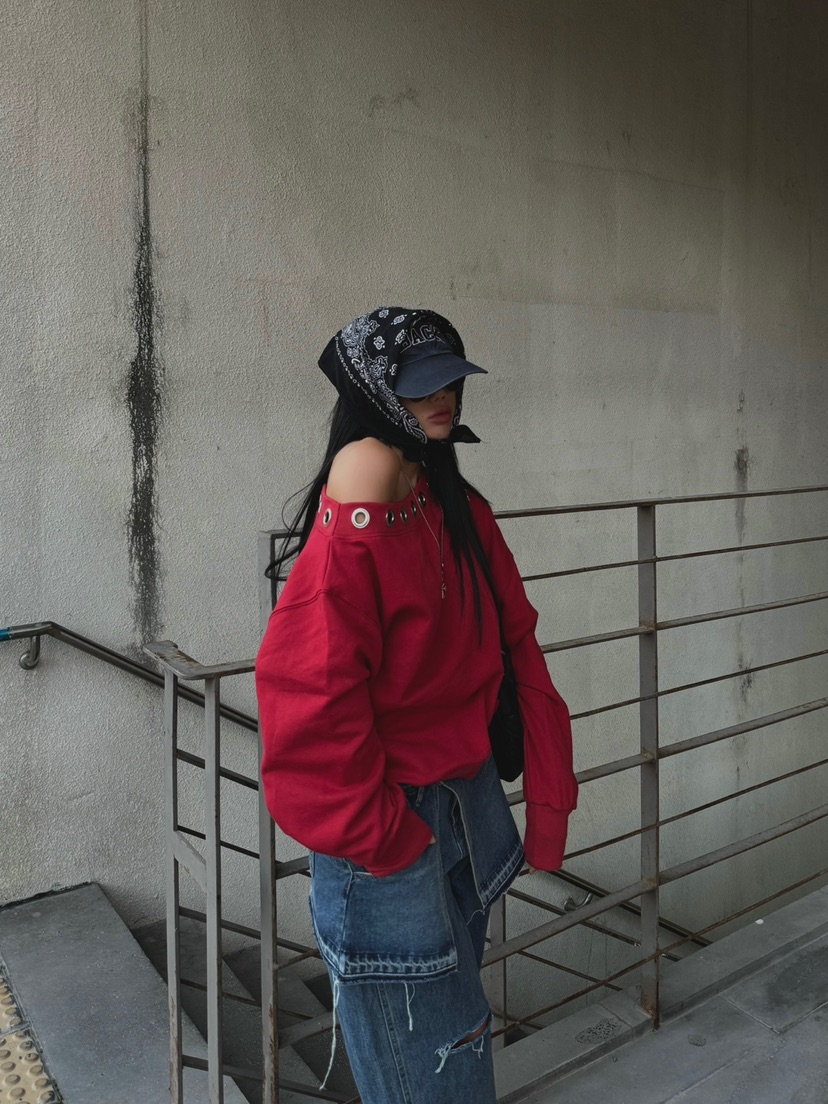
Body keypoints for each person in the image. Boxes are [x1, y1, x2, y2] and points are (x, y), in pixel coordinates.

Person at [255, 307, 578, 1104]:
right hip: (392, 835)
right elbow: (306, 698)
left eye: (450, 382)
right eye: (418, 386)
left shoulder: (454, 506)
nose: (443, 399)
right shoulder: (361, 502)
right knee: (439, 1065)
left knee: (458, 1043)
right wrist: (390, 840)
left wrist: (548, 803)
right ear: (373, 394)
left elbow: (520, 647)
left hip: (465, 814)